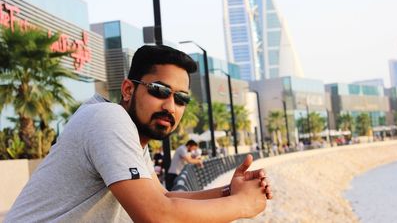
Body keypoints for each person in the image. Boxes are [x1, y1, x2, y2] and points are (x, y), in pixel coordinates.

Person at [5, 45, 272, 222]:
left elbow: (164, 197)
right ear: (128, 90)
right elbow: (156, 215)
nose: (170, 106)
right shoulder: (108, 118)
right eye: (159, 90)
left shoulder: (132, 138)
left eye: (181, 99)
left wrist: (228, 191)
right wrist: (244, 205)